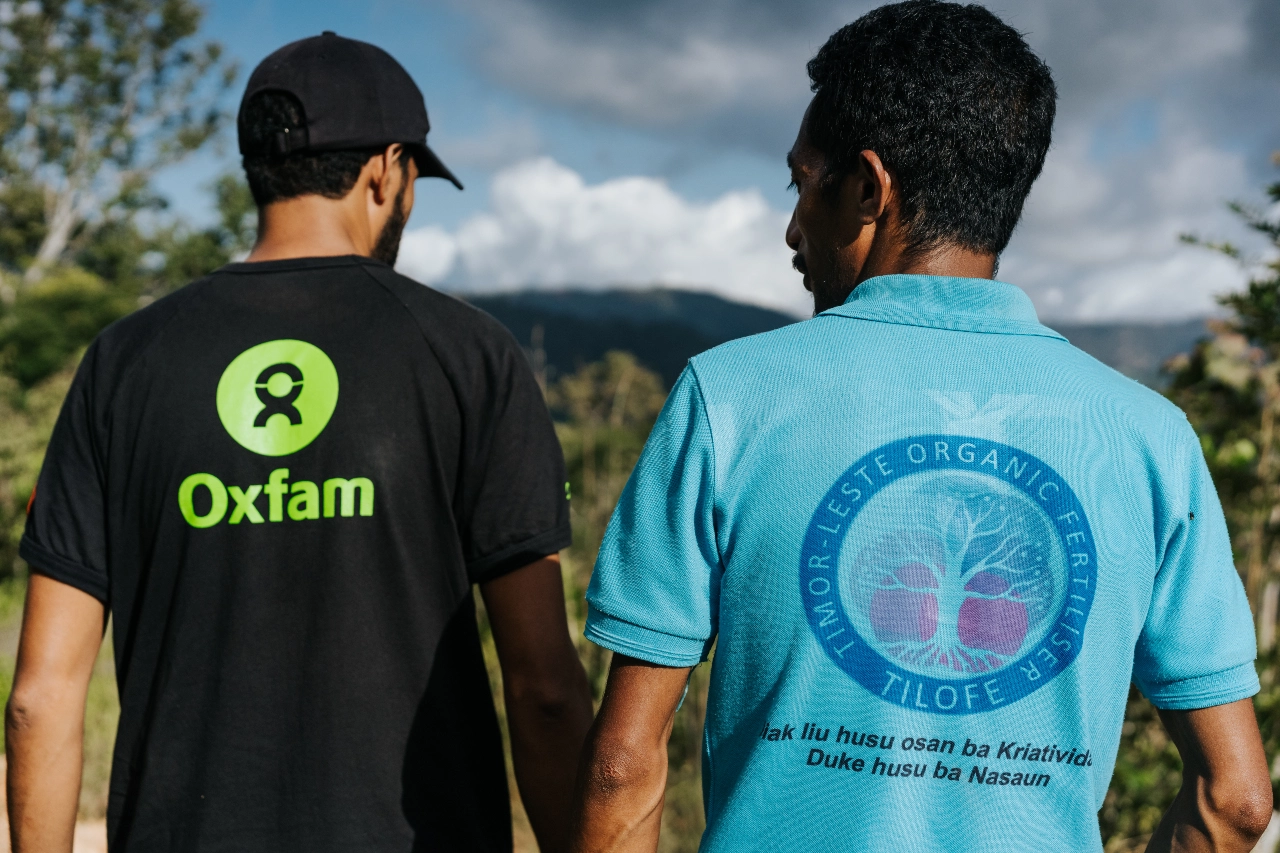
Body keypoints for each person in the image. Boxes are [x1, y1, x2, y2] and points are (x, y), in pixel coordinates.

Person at [570, 3, 1273, 851]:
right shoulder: (1150, 437)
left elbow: (622, 769)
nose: (794, 229)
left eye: (802, 185)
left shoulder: (728, 397)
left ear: (869, 188)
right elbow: (1236, 799)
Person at [7, 32, 593, 853]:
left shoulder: (123, 363)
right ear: (387, 170)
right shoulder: (469, 355)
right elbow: (544, 690)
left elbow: (41, 694)